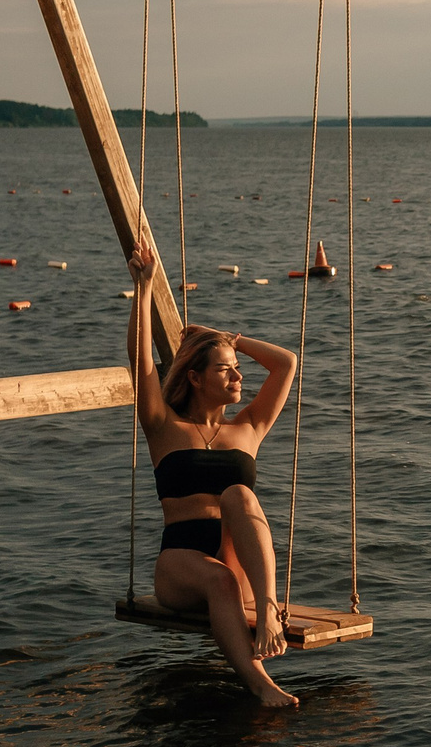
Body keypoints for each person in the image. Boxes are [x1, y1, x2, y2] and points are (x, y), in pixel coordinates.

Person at [127, 246, 301, 707]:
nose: (238, 376)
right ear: (195, 378)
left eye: (238, 370)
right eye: (225, 370)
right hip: (181, 565)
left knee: (239, 494)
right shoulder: (163, 426)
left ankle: (268, 609)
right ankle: (261, 684)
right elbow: (140, 362)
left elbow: (286, 363)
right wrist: (144, 288)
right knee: (218, 581)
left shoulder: (248, 428)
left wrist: (229, 341)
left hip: (237, 563)